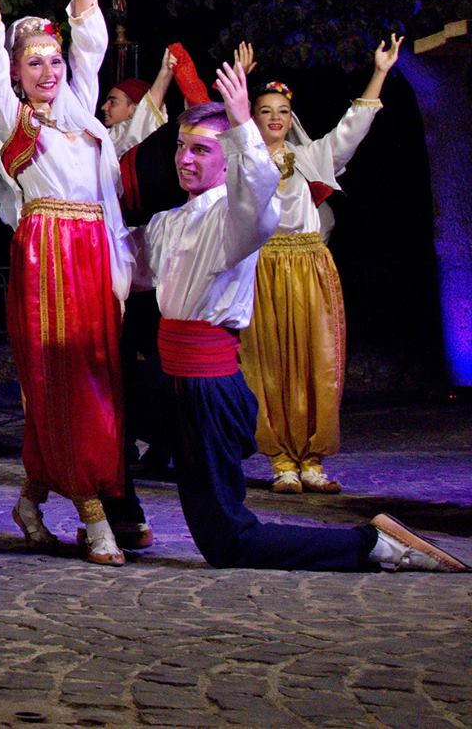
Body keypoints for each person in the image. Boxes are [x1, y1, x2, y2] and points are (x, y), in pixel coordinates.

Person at [129, 64, 462, 573]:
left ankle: (371, 546)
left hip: (207, 387)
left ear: (228, 162)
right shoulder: (170, 221)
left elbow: (258, 192)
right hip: (176, 382)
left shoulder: (236, 219)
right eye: (181, 147)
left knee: (229, 542)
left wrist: (243, 123)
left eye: (201, 150)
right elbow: (117, 259)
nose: (185, 159)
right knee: (104, 396)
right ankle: (110, 507)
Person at [0, 0, 138, 564]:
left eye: (53, 60)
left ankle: (34, 498)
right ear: (16, 73)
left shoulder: (83, 108)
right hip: (46, 256)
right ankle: (94, 516)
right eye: (33, 62)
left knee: (96, 379)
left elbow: (91, 31)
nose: (49, 70)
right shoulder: (14, 117)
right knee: (60, 380)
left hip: (92, 251)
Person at [235, 36, 402, 496]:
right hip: (265, 267)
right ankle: (281, 460)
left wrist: (380, 71)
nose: (274, 118)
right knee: (269, 364)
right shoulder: (242, 159)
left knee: (315, 361)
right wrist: (239, 87)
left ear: (292, 120)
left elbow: (352, 128)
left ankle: (311, 459)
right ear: (253, 116)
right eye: (265, 110)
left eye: (282, 112)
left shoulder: (310, 158)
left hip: (309, 265)